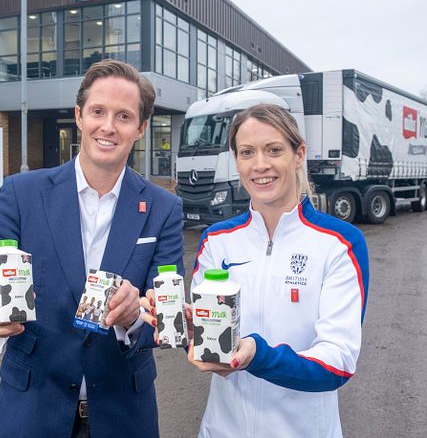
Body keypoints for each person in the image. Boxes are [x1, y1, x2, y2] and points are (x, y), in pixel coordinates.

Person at [0, 59, 185, 438]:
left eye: (123, 116)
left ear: (140, 128)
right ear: (79, 116)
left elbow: (168, 319)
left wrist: (134, 318)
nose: (108, 126)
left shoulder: (163, 208)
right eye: (98, 111)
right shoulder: (21, 194)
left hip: (124, 417)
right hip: (31, 413)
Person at [143, 103, 369, 438]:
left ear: (299, 154)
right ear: (236, 161)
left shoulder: (340, 243)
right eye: (247, 152)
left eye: (274, 150)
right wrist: (187, 328)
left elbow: (337, 360)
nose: (260, 165)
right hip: (221, 430)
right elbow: (214, 341)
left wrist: (256, 355)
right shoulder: (216, 241)